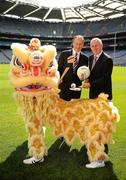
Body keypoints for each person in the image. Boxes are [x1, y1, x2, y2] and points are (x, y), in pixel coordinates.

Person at [83, 37, 113, 168]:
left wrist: (90, 84)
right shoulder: (90, 58)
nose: (94, 48)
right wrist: (86, 79)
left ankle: (100, 159)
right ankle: (96, 148)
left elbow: (105, 79)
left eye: (96, 45)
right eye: (92, 46)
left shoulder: (107, 59)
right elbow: (92, 74)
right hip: (93, 96)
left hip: (103, 98)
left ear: (101, 46)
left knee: (101, 125)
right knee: (95, 124)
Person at [58, 35, 88, 101]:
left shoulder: (85, 58)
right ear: (73, 43)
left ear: (83, 45)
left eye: (80, 44)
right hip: (63, 88)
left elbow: (85, 73)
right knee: (63, 110)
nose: (78, 46)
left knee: (75, 110)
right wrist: (58, 78)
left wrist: (86, 79)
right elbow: (58, 69)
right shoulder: (64, 54)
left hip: (76, 89)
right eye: (76, 43)